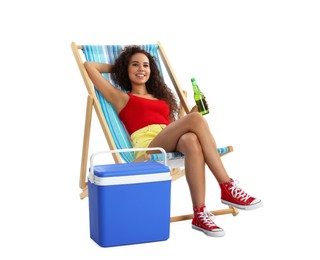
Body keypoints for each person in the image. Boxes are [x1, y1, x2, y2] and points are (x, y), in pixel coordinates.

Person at [84, 45, 262, 237]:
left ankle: (200, 214)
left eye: (145, 65)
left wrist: (192, 115)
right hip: (149, 149)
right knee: (195, 122)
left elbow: (173, 127)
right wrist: (119, 66)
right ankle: (227, 186)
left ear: (152, 71)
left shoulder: (163, 99)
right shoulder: (121, 98)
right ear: (126, 69)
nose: (141, 69)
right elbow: (89, 66)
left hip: (168, 139)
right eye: (134, 65)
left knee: (192, 140)